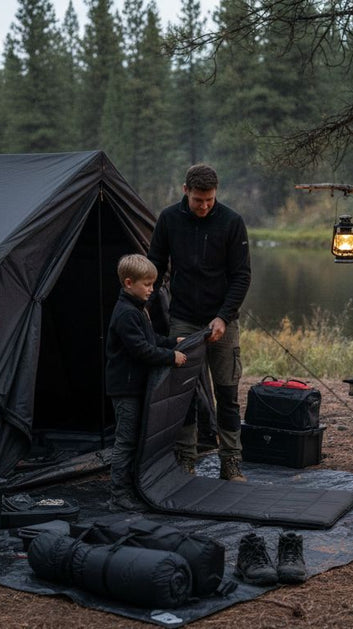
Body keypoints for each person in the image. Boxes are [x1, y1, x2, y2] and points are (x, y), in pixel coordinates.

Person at [148, 164, 252, 482]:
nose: (204, 206)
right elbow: (154, 264)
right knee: (185, 392)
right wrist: (143, 301)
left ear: (216, 193)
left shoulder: (232, 221)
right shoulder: (168, 219)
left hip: (223, 320)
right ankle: (186, 459)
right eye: (197, 200)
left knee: (228, 393)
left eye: (209, 200)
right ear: (185, 191)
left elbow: (242, 276)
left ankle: (231, 462)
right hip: (182, 319)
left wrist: (223, 316)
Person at [105, 254, 187, 510]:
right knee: (126, 441)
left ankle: (133, 488)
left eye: (153, 285)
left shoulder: (138, 310)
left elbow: (151, 340)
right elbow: (141, 350)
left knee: (136, 439)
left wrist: (173, 342)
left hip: (138, 387)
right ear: (129, 283)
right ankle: (118, 496)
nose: (152, 290)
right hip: (125, 389)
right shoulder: (126, 314)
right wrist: (170, 357)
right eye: (147, 285)